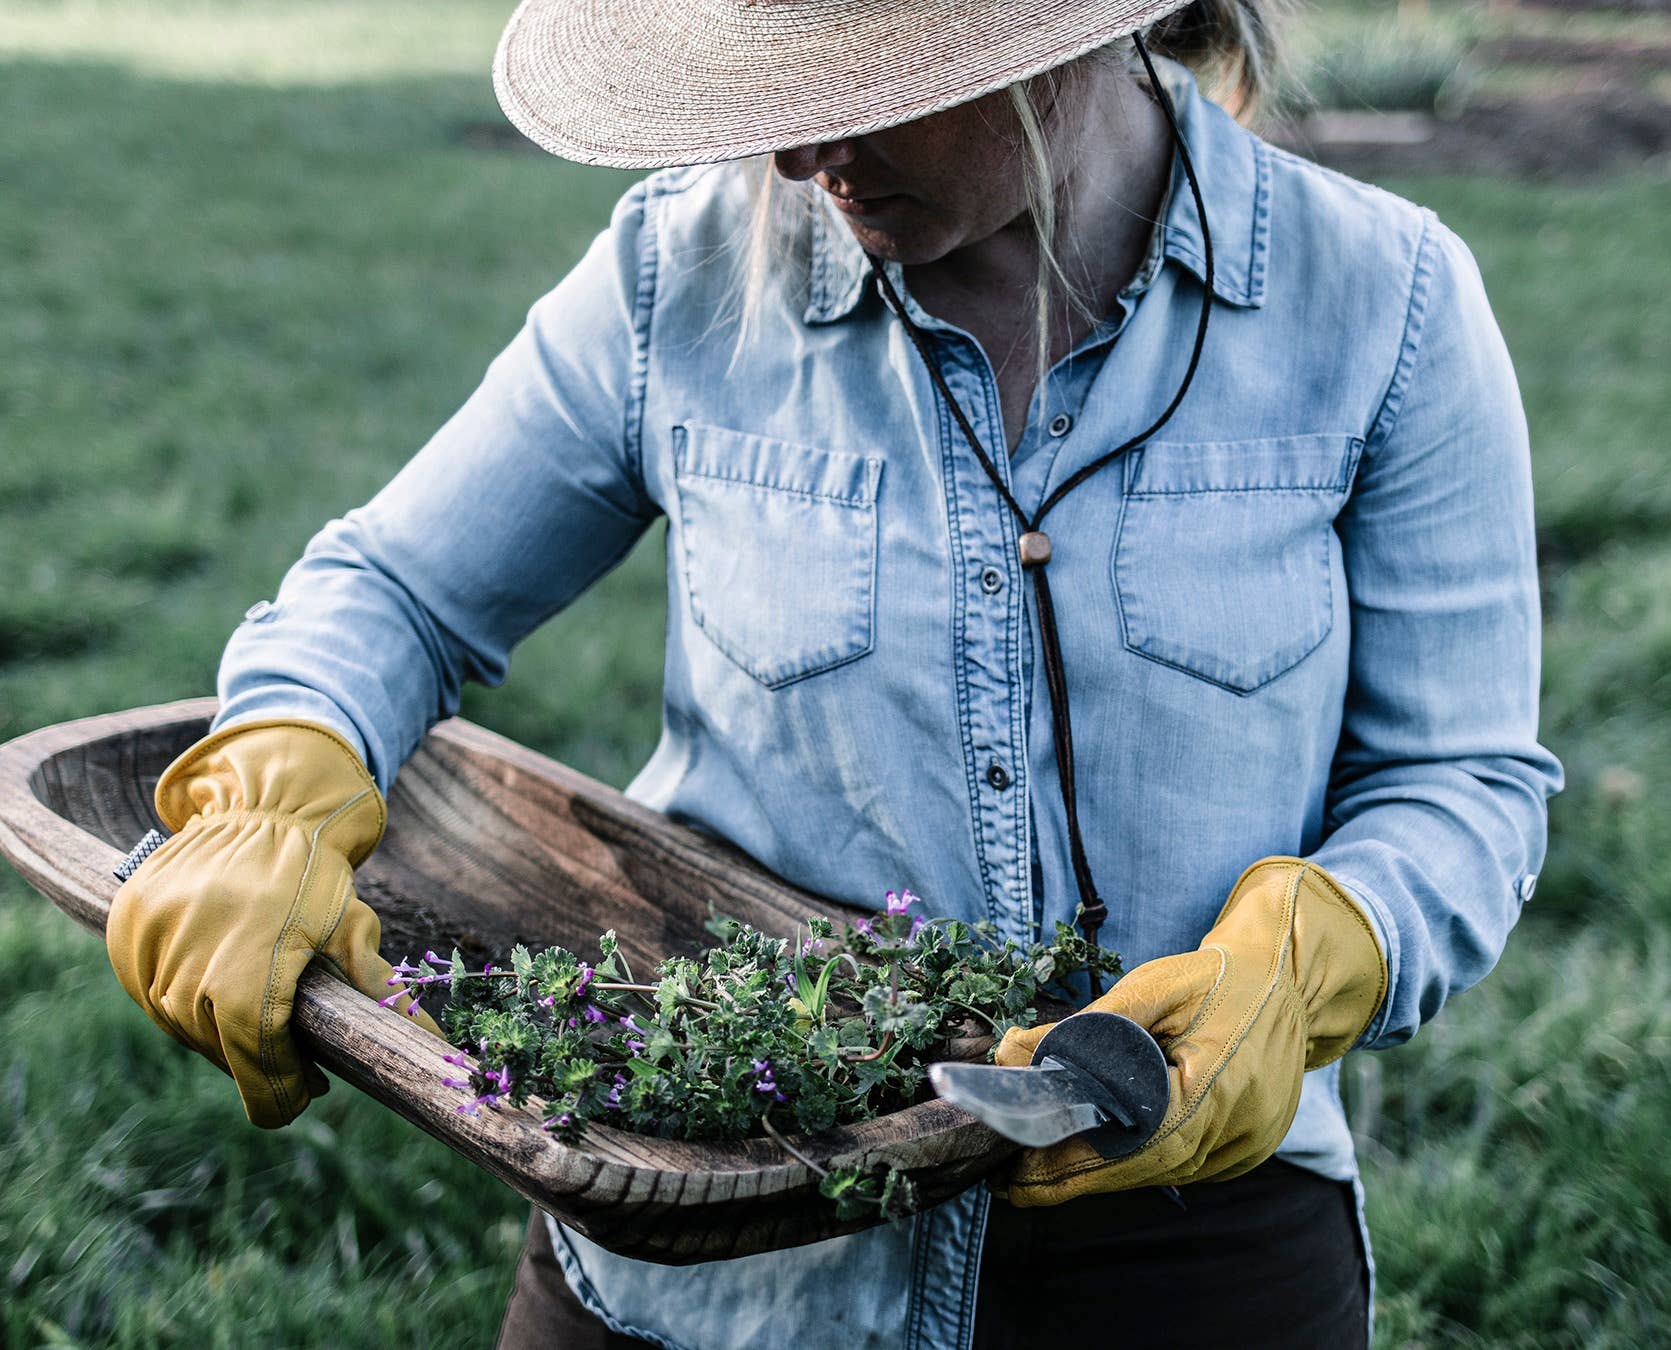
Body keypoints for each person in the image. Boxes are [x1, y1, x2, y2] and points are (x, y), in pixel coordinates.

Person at [102, 2, 1563, 1346]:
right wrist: (277, 782)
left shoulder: (1385, 305)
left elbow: (1463, 780)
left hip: (1177, 1236)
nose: (798, 150)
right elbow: (399, 588)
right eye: (776, 82)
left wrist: (1317, 952)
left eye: (863, 82)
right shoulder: (679, 269)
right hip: (715, 1248)